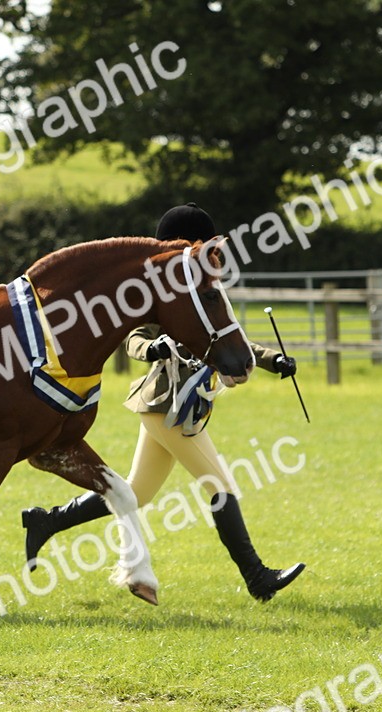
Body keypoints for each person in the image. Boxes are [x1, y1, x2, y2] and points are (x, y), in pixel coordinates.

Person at [21, 203, 306, 601]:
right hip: (165, 406)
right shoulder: (163, 289)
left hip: (183, 407)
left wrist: (273, 360)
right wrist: (150, 348)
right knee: (221, 486)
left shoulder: (197, 286)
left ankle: (46, 521)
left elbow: (226, 335)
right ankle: (257, 578)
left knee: (136, 493)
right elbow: (132, 337)